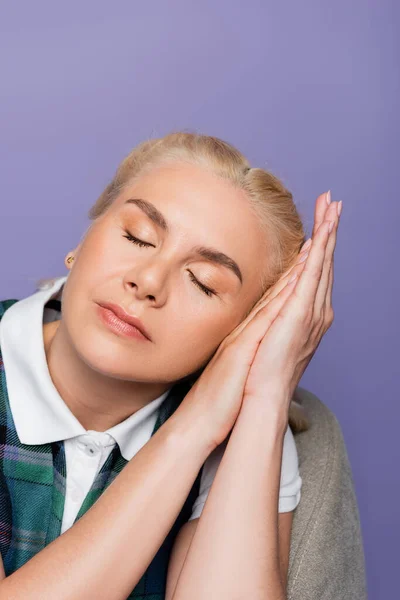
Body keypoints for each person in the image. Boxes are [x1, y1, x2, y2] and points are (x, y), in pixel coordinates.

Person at [0, 131, 340, 599]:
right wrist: (194, 427)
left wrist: (267, 393)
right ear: (85, 237)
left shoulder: (246, 431)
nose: (148, 281)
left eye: (203, 282)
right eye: (137, 237)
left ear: (241, 333)